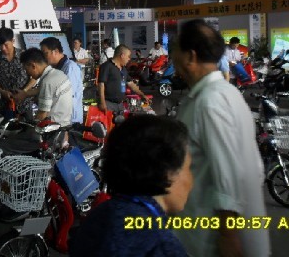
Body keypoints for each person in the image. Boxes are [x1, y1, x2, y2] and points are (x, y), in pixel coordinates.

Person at [172, 19, 269, 257]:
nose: (172, 58)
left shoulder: (210, 101)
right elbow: (255, 168)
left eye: (174, 50)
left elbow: (229, 176)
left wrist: (228, 237)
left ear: (190, 56)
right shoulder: (227, 93)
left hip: (214, 241)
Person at [69, 115, 192, 257]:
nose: (191, 180)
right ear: (167, 172)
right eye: (188, 168)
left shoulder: (99, 216)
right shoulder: (161, 245)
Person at [0, 27, 36, 121]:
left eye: (6, 45)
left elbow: (34, 77)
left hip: (25, 104)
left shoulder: (24, 55)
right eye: (0, 45)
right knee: (6, 129)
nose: (3, 48)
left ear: (13, 41)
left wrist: (24, 91)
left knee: (29, 128)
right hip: (6, 104)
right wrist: (2, 92)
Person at [20, 48, 73, 126]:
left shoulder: (47, 81)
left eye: (26, 69)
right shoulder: (58, 73)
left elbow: (42, 114)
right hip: (65, 123)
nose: (27, 73)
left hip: (53, 127)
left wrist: (32, 127)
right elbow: (41, 90)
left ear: (33, 65)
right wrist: (25, 93)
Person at [39, 37, 83, 124]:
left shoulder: (70, 68)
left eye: (45, 53)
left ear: (55, 51)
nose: (44, 58)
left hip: (71, 120)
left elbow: (68, 94)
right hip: (60, 118)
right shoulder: (55, 68)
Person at [98, 44, 149, 115]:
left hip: (120, 104)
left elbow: (131, 84)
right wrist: (102, 103)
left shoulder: (123, 69)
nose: (129, 59)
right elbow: (101, 85)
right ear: (122, 55)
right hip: (108, 104)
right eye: (128, 56)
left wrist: (142, 95)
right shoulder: (106, 66)